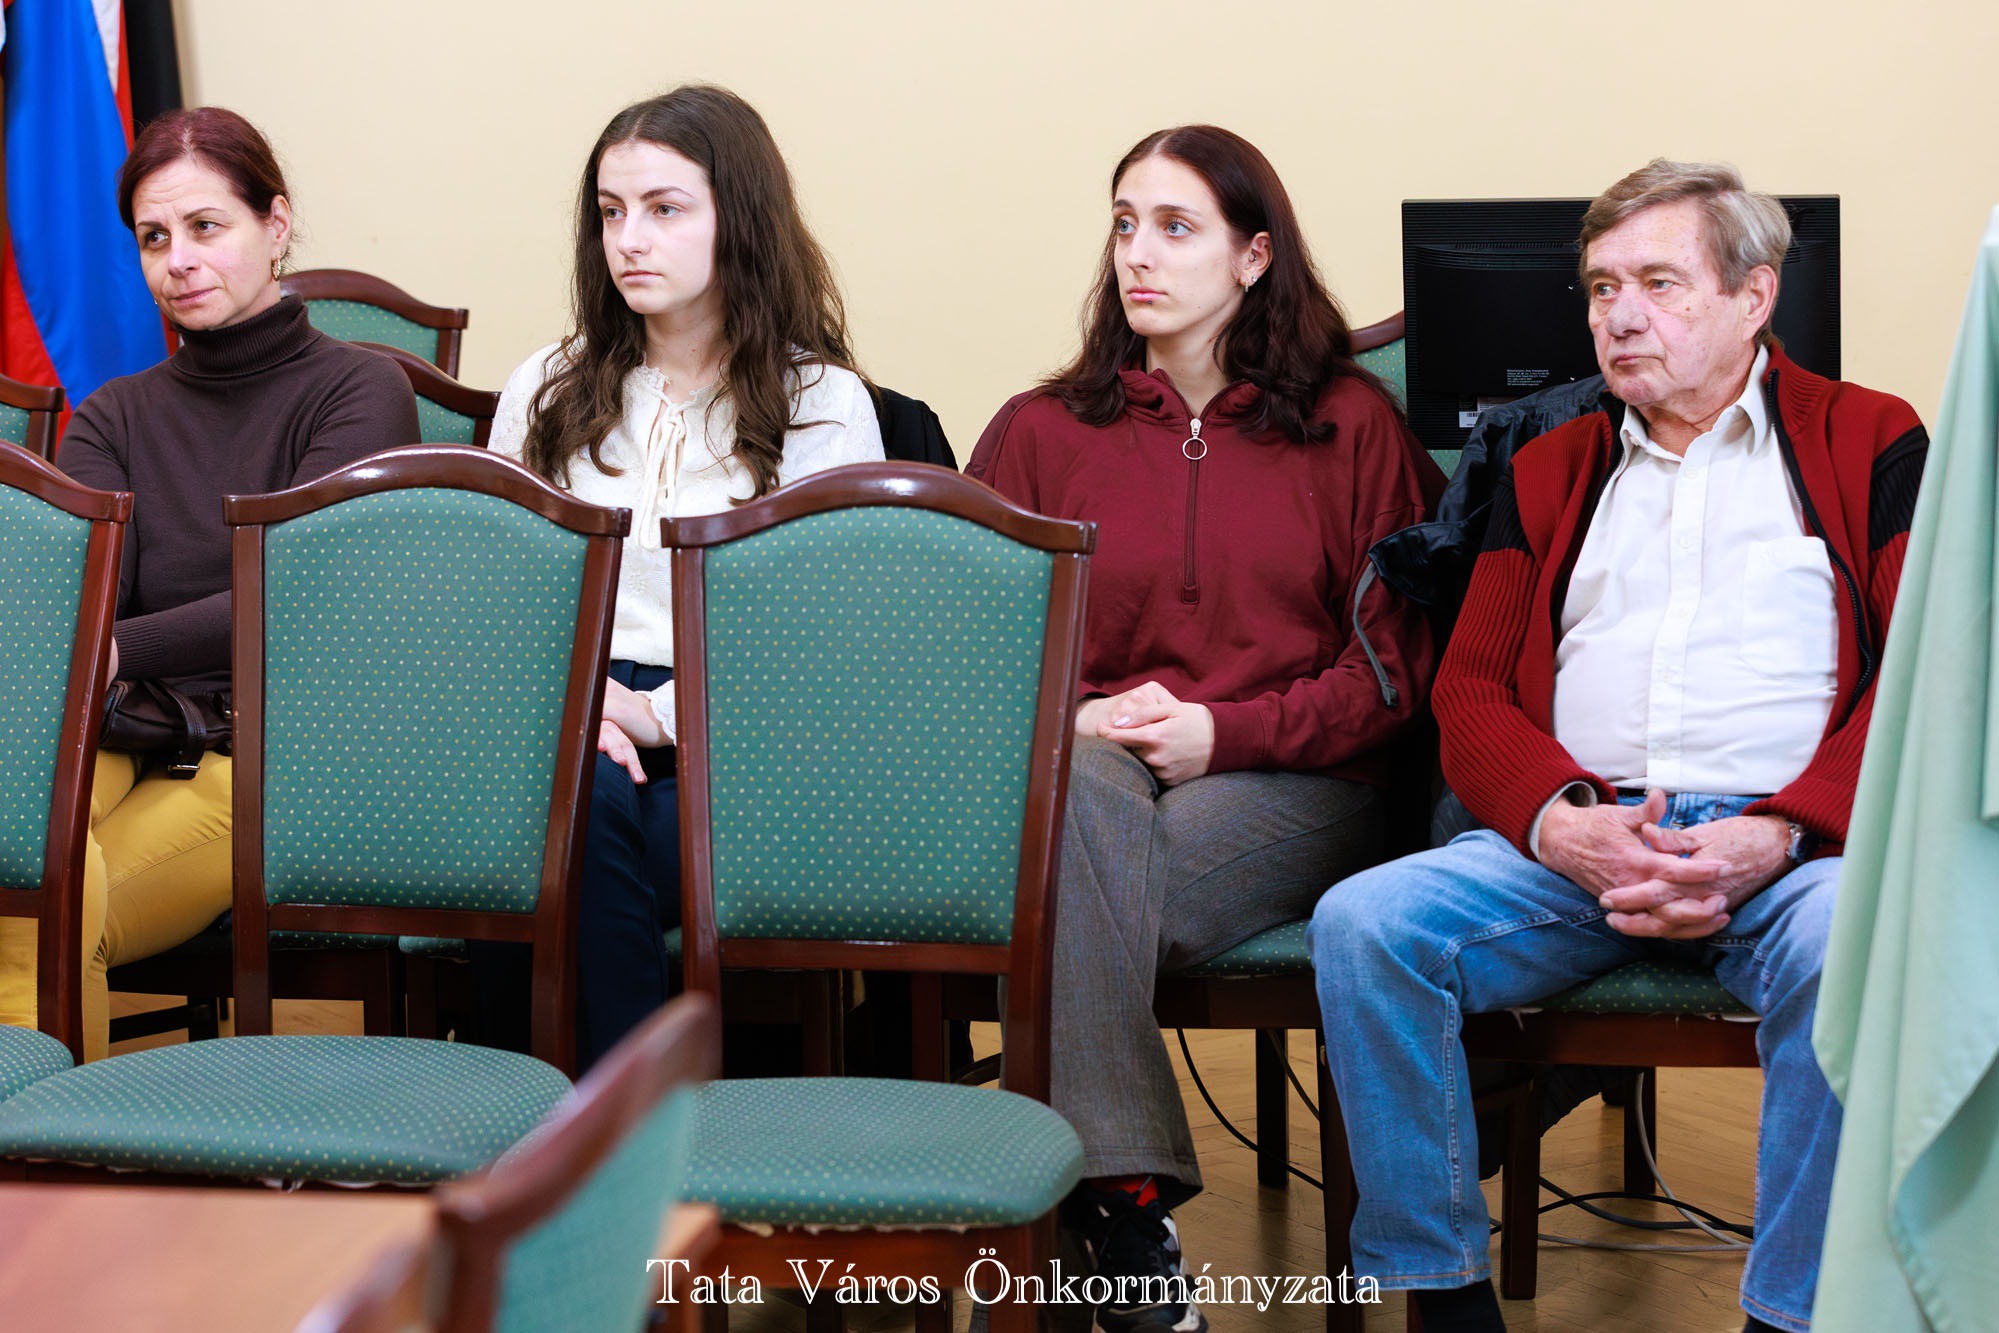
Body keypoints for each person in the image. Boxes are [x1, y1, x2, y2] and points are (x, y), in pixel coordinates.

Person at [1309, 160, 1929, 1333]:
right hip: (1590, 835)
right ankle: (1444, 1300)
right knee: (1363, 925)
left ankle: (1788, 1316)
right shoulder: (1549, 462)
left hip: (1795, 851)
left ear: (1754, 295)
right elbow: (1470, 687)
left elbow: (1924, 683)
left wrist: (1780, 829)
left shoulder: (1870, 439)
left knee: (1851, 944)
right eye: (1601, 287)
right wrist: (1561, 824)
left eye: (1658, 282)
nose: (1619, 314)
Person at [967, 125, 1439, 1333]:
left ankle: (1089, 1211)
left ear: (1253, 256)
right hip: (1095, 770)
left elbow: (1392, 675)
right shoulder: (1036, 431)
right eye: (1125, 223)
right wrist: (1082, 715)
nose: (1138, 253)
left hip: (1301, 775)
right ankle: (1127, 1213)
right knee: (1084, 802)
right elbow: (975, 659)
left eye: (1176, 227)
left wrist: (1222, 733)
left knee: (1093, 894)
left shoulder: (1350, 427)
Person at [0, 107, 419, 1059]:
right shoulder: (112, 415)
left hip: (267, 751)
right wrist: (106, 649)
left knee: (43, 907)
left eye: (205, 227)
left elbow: (301, 602)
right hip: (119, 725)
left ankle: (45, 1144)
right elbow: (84, 598)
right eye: (154, 238)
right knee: (17, 865)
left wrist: (115, 648)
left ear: (276, 225)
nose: (178, 261)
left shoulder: (360, 391)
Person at [488, 85, 884, 1070]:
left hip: (748, 736)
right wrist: (582, 709)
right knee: (578, 801)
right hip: (569, 719)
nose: (629, 240)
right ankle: (643, 1124)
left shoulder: (823, 403)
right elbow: (501, 602)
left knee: (570, 830)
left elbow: (820, 646)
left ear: (737, 218)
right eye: (611, 212)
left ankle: (575, 1120)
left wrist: (653, 716)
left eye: (664, 209)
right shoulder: (545, 386)